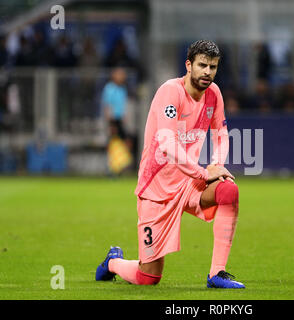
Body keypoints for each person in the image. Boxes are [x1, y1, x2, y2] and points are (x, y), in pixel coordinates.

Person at [95, 40, 245, 289]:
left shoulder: (214, 94)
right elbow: (167, 144)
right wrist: (202, 172)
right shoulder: (170, 91)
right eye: (202, 65)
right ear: (189, 65)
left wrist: (216, 166)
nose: (207, 72)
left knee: (228, 189)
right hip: (156, 190)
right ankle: (113, 262)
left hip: (188, 183)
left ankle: (217, 273)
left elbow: (221, 134)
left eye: (213, 67)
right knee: (148, 277)